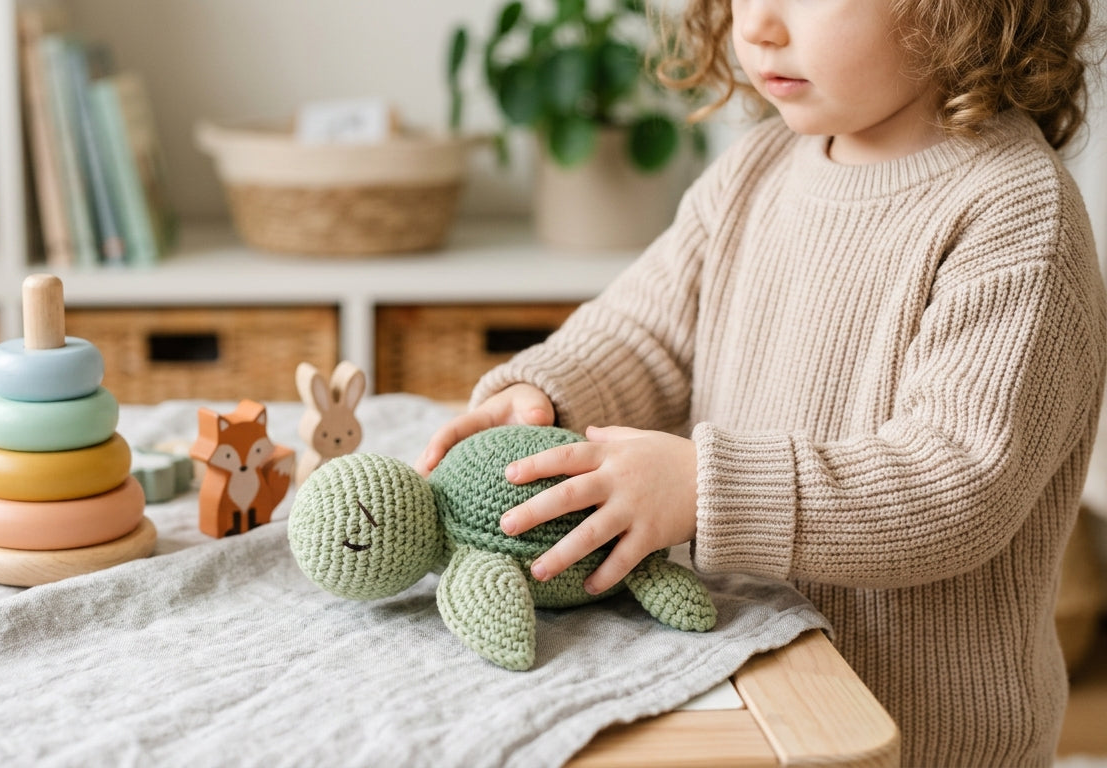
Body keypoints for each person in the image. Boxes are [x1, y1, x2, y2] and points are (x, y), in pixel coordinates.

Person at [416, 0, 1105, 765]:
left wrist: (706, 489)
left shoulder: (1015, 216)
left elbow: (953, 486)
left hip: (921, 738)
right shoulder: (757, 168)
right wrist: (551, 391)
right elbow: (645, 334)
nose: (760, 27)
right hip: (751, 689)